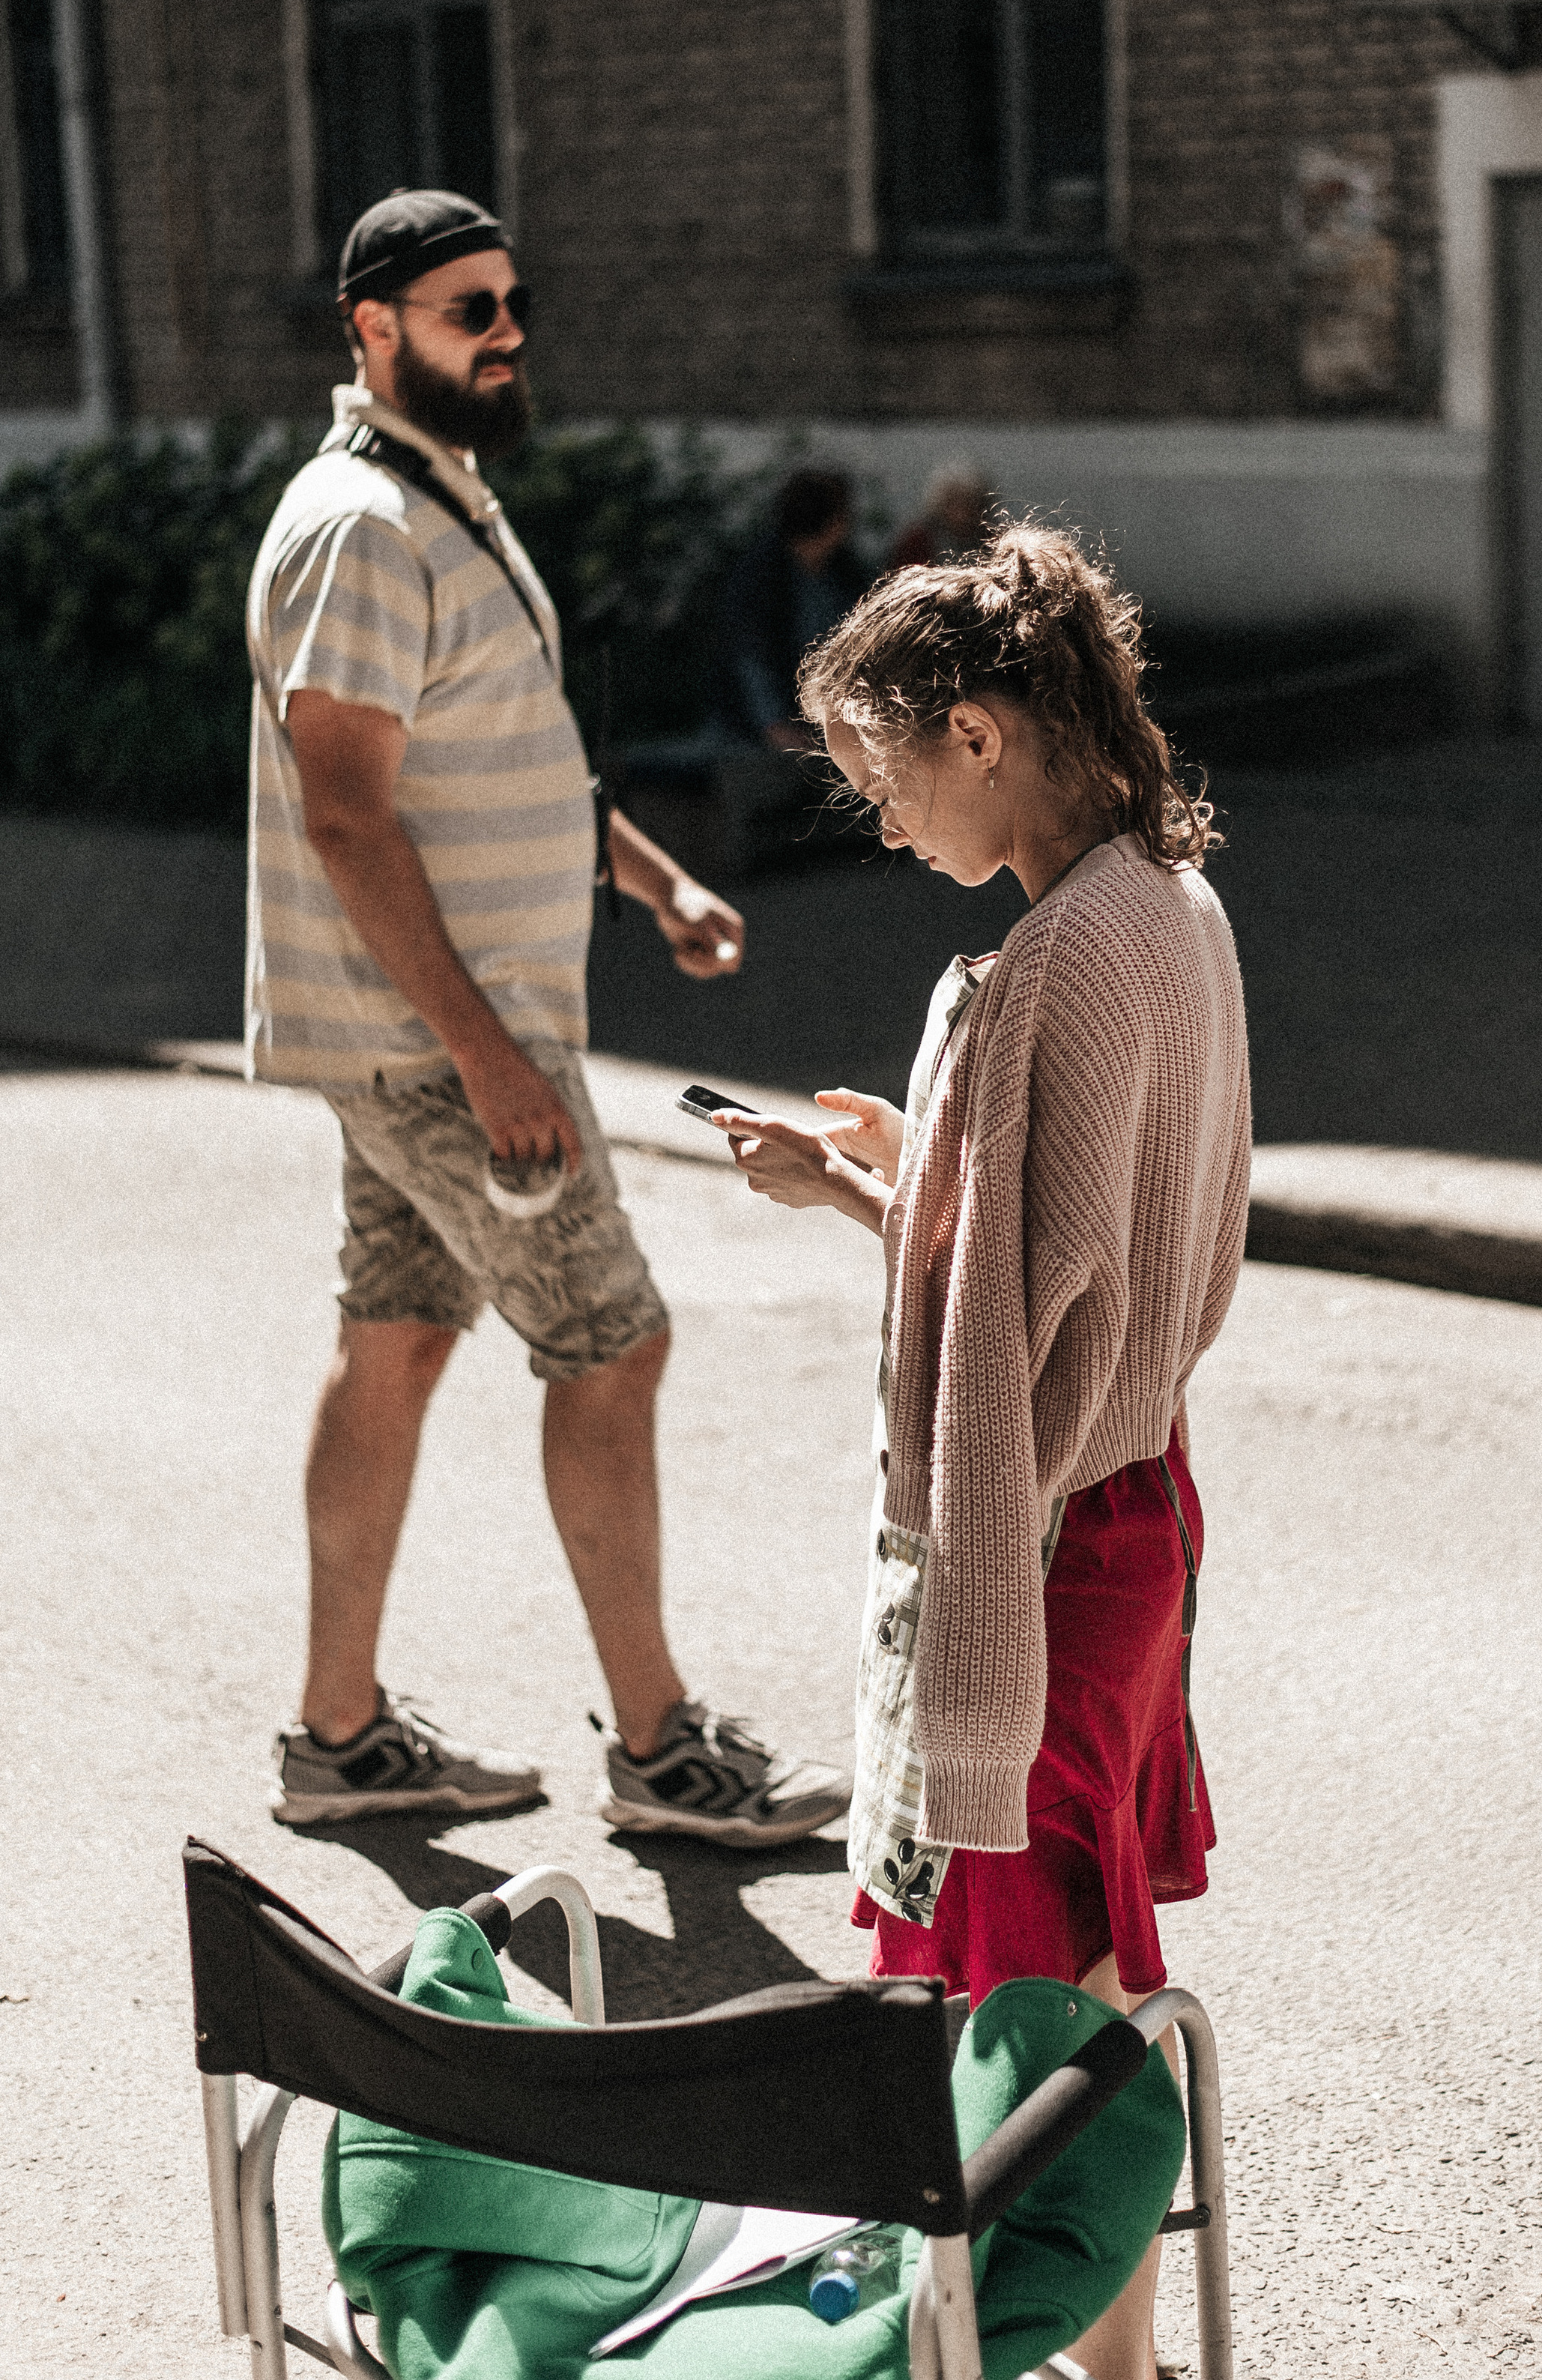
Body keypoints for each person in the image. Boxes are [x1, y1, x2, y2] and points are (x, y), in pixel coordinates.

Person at [246, 187, 850, 1848]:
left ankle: (339, 1735)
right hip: (448, 1042)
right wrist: (488, 1054)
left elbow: (501, 757)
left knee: (400, 1338)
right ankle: (663, 1754)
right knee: (614, 1343)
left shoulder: (440, 503)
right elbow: (351, 813)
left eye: (513, 301)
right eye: (464, 308)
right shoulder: (359, 527)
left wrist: (654, 886)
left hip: (427, 1035)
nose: (503, 331)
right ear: (371, 329)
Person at [715, 528, 1251, 2380]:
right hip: (1136, 1500)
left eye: (879, 775)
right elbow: (1066, 1265)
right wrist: (885, 1178)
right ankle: (1116, 2357)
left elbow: (995, 1338)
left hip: (1041, 1539)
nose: (879, 823)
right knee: (1073, 1958)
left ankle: (1106, 2367)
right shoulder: (1168, 903)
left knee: (1052, 1987)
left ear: (974, 731)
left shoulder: (1041, 965)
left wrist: (902, 1192)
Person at [713, 466, 865, 752]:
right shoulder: (759, 575)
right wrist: (774, 726)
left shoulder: (846, 572)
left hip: (829, 725)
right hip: (756, 737)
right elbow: (749, 658)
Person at [883, 463, 996, 573]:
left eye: (970, 503)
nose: (962, 512)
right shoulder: (918, 542)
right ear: (941, 504)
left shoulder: (992, 541)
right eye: (954, 502)